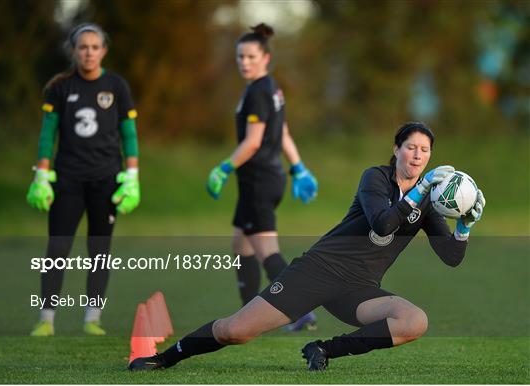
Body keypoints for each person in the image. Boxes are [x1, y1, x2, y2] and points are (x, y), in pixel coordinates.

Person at [129, 121, 485, 371]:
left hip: (359, 289)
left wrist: (465, 225)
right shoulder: (375, 178)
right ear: (397, 149)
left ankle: (323, 349)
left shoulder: (427, 203)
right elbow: (383, 223)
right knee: (235, 331)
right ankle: (165, 358)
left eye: (425, 150)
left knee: (413, 321)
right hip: (318, 270)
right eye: (411, 147)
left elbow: (451, 256)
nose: (418, 155)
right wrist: (421, 191)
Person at [27, 23, 140, 336]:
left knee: (100, 250)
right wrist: (41, 175)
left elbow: (128, 135)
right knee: (57, 248)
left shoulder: (117, 86)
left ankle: (93, 318)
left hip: (106, 181)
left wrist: (132, 176)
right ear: (73, 51)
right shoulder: (60, 87)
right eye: (82, 47)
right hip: (68, 180)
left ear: (103, 51)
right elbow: (47, 135)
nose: (88, 52)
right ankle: (46, 318)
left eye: (94, 47)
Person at [205, 23, 319, 331]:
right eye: (240, 57)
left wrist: (223, 168)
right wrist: (297, 167)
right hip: (267, 179)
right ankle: (247, 312)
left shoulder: (258, 92)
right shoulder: (270, 88)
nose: (244, 62)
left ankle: (301, 310)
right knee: (240, 244)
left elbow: (254, 141)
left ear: (266, 57)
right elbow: (281, 131)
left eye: (251, 57)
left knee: (267, 252)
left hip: (258, 181)